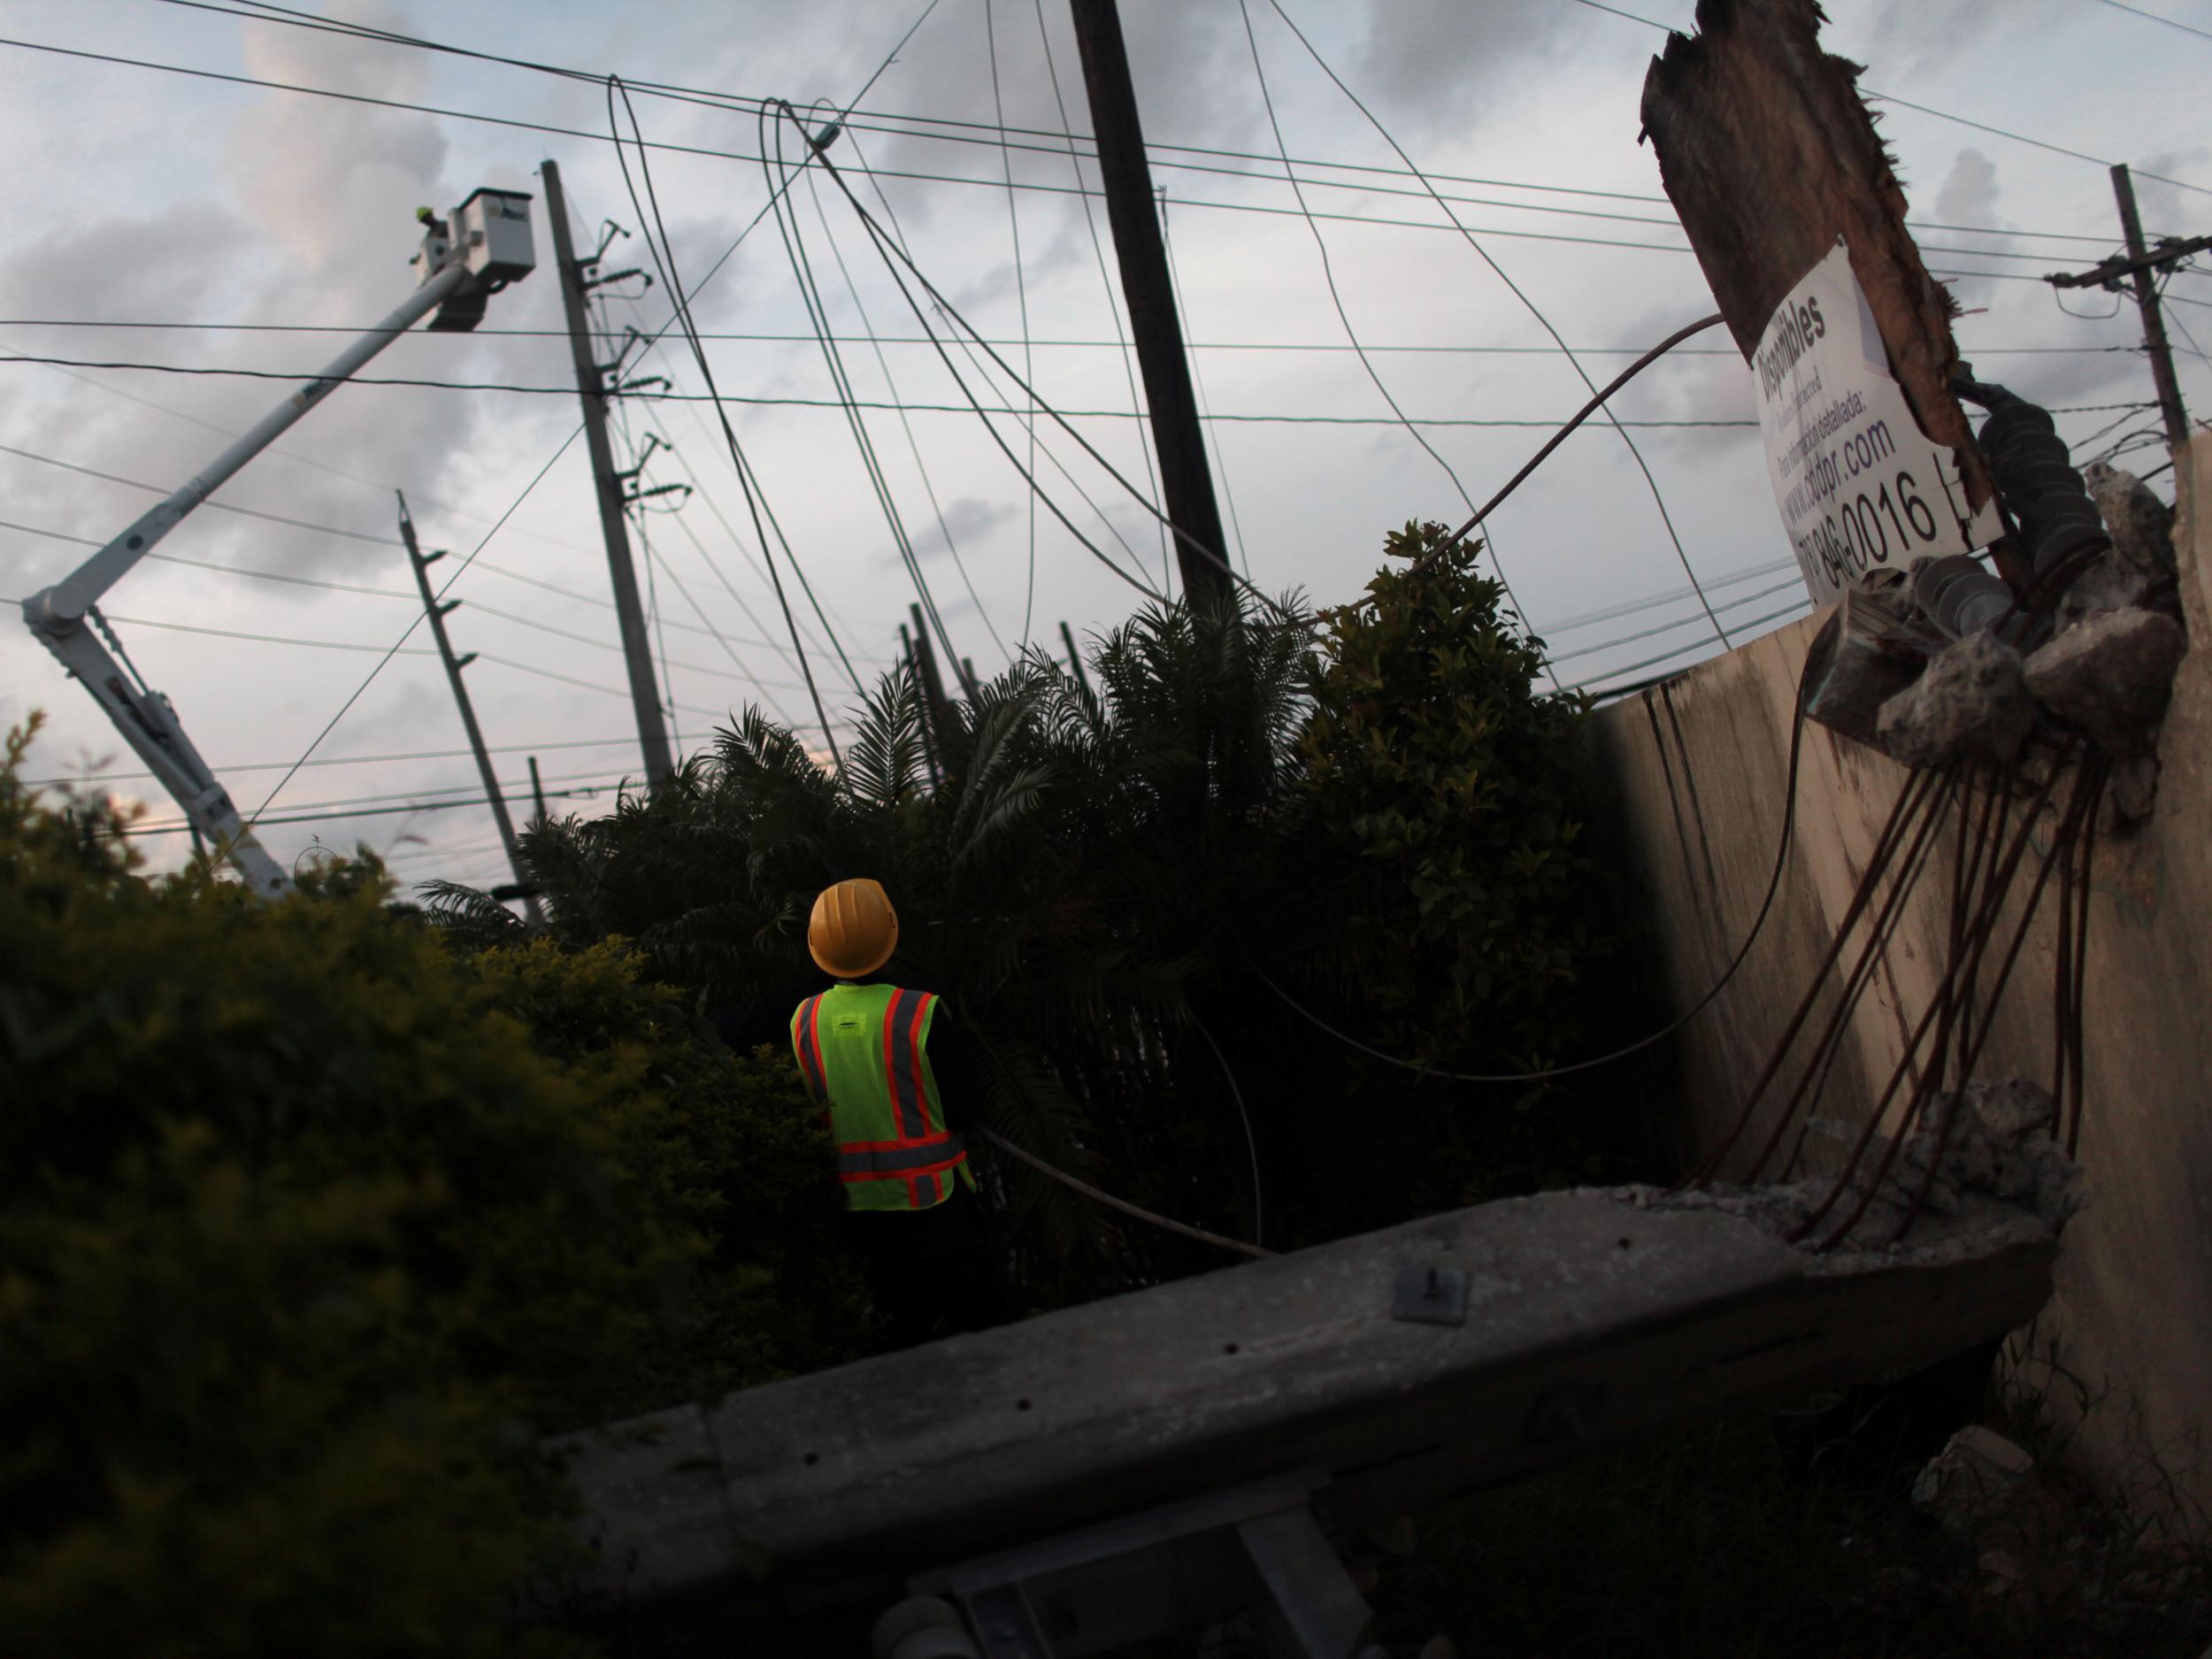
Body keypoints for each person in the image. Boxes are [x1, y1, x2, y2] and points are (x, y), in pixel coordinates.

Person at [791, 877, 1005, 1348]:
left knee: (898, 1340)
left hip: (858, 1218)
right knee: (983, 1332)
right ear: (890, 935)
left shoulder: (803, 1019)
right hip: (937, 1208)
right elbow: (964, 1107)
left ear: (816, 945)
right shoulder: (920, 1011)